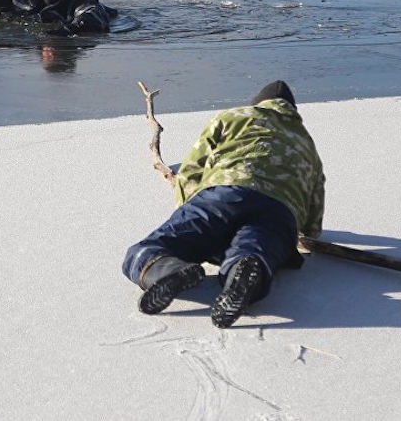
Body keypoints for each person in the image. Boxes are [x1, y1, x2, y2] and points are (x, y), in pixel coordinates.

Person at [122, 80, 325, 328]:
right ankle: (245, 269)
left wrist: (186, 205)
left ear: (257, 103)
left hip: (225, 194)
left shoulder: (233, 117)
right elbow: (313, 220)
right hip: (279, 211)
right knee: (257, 248)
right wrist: (300, 232)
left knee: (145, 251)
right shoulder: (307, 142)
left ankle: (165, 269)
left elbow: (192, 169)